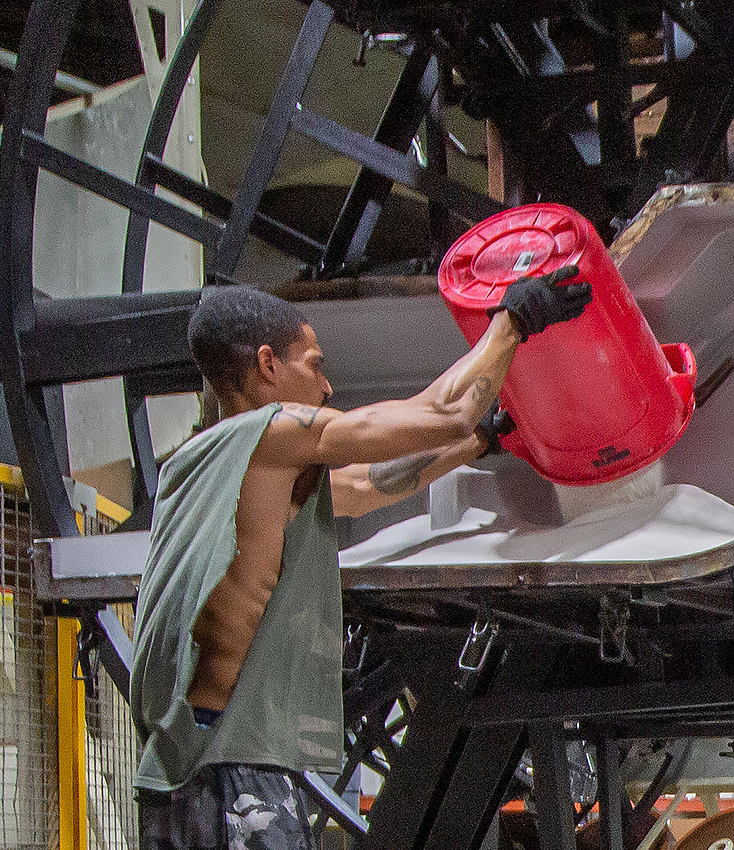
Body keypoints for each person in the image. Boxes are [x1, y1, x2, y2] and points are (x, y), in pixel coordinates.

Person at [131, 267, 591, 850]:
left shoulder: (199, 465)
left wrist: (482, 441)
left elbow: (370, 484)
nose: (325, 388)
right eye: (314, 364)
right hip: (236, 766)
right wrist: (512, 323)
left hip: (176, 767)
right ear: (268, 364)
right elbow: (438, 414)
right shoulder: (272, 431)